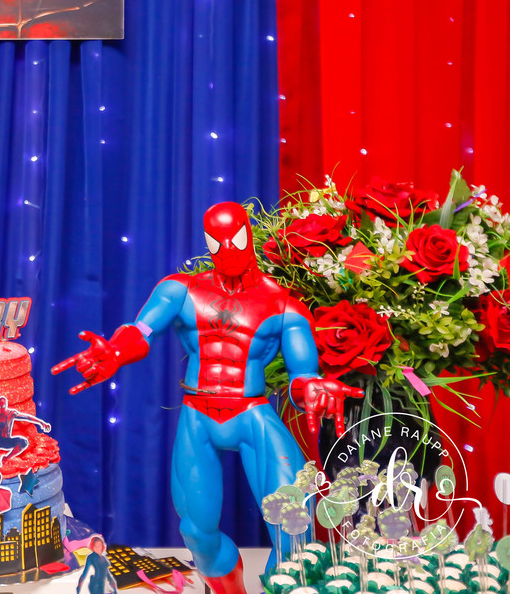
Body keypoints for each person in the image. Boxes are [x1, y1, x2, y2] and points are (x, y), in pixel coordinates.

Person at [52, 202, 363, 594]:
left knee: (294, 522)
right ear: (207, 241)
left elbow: (303, 376)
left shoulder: (283, 305)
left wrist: (313, 390)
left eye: (236, 238)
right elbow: (142, 330)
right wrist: (116, 350)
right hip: (198, 415)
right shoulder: (180, 290)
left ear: (249, 235)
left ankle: (282, 585)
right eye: (218, 241)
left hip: (251, 413)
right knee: (197, 532)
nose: (228, 249)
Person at [0, 395, 51, 461]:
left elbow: (27, 417)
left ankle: (7, 458)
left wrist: (41, 423)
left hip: (7, 441)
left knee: (24, 442)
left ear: (6, 406)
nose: (1, 409)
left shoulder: (11, 414)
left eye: (3, 407)